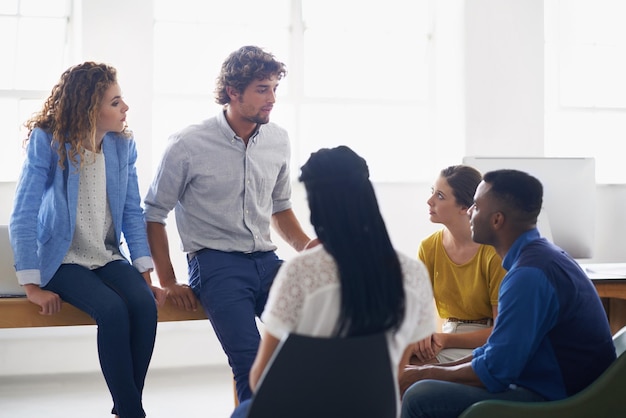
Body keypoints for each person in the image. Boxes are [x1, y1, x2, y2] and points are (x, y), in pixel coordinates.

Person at [143, 45, 315, 402]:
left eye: (274, 89)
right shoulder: (188, 143)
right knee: (249, 362)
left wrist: (310, 248)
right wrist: (169, 279)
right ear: (233, 92)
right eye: (262, 89)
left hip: (268, 262)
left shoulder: (278, 139)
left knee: (313, 343)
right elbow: (155, 214)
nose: (272, 99)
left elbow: (280, 207)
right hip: (216, 265)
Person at [230, 145, 438, 418]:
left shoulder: (301, 271)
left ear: (317, 208)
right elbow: (395, 371)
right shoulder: (412, 274)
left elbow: (259, 379)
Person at [9, 61, 165, 418]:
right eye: (116, 102)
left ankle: (127, 407)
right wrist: (31, 285)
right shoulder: (47, 141)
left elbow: (131, 212)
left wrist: (144, 271)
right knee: (112, 311)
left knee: (144, 306)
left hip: (106, 255)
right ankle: (133, 412)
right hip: (62, 258)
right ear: (90, 107)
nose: (125, 108)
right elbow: (24, 212)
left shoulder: (122, 147)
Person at [400, 169, 616, 418]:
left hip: (561, 396)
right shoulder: (539, 257)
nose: (469, 211)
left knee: (419, 396)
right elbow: (495, 350)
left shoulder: (528, 276)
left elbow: (496, 370)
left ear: (496, 220)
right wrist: (427, 370)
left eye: (476, 207)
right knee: (419, 380)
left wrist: (423, 374)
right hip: (551, 383)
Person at [409, 165, 506, 365]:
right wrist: (422, 335)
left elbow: (501, 330)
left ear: (465, 208)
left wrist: (446, 340)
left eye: (440, 196)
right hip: (445, 337)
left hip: (483, 343)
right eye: (432, 192)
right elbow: (416, 313)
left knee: (408, 367)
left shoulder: (492, 253)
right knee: (394, 356)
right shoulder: (428, 248)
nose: (430, 201)